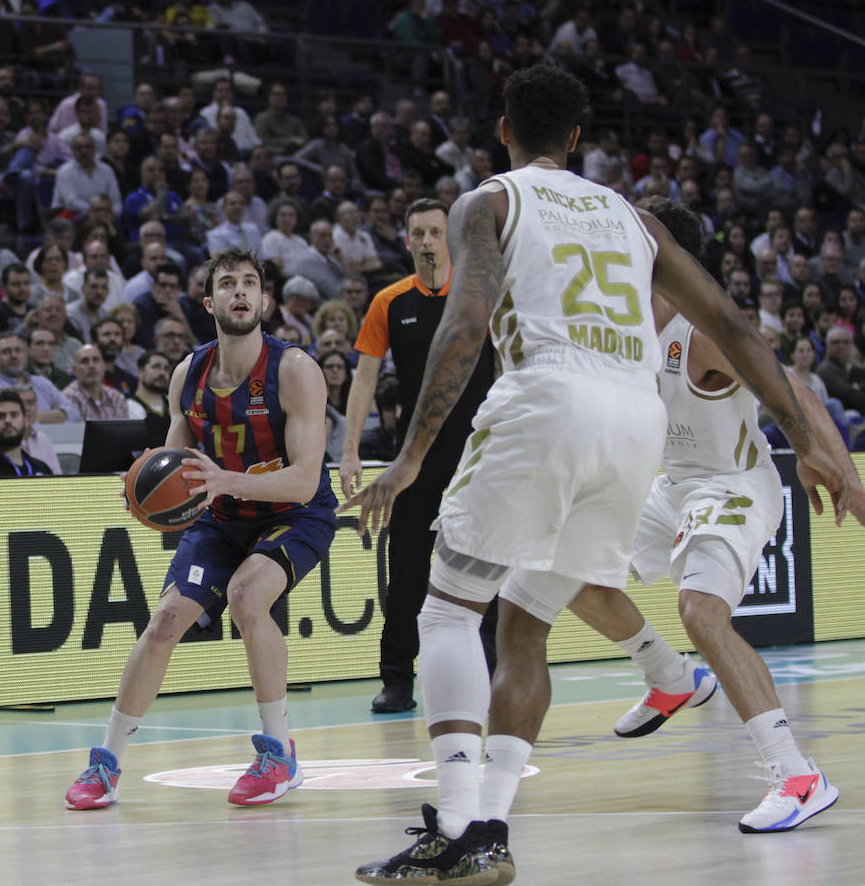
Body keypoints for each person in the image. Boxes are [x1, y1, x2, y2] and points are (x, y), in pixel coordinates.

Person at [342, 65, 854, 884]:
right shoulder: (635, 219)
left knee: (445, 610)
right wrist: (812, 443)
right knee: (525, 616)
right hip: (636, 425)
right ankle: (494, 832)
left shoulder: (492, 200)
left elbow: (465, 322)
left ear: (503, 132)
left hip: (552, 395)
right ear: (578, 139)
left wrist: (407, 459)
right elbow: (733, 321)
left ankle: (459, 825)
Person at [560, 196, 865, 837]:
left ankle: (797, 775)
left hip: (735, 484)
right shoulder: (615, 323)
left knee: (701, 612)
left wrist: (834, 465)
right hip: (670, 484)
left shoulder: (704, 332)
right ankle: (669, 677)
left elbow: (798, 390)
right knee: (564, 566)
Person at [65, 248, 338, 811]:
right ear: (210, 301)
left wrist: (224, 480)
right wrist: (145, 478)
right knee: (164, 621)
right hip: (222, 512)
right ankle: (108, 764)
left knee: (246, 596)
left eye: (251, 284)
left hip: (294, 512)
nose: (241, 292)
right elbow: (175, 456)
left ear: (265, 300)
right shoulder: (189, 373)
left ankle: (278, 754)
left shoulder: (295, 371)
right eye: (228, 284)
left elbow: (306, 481)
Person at [340, 198, 496, 716]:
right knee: (405, 571)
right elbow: (364, 378)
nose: (428, 241)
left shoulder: (480, 300)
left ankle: (494, 673)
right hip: (415, 457)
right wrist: (349, 450)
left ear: (450, 240)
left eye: (436, 232)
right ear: (406, 242)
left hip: (477, 456)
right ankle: (397, 680)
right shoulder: (390, 301)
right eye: (418, 233)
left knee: (488, 568)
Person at [0, 388, 55, 478]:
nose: (8, 421)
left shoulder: (42, 469)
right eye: (0, 416)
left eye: (14, 415)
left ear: (25, 421)